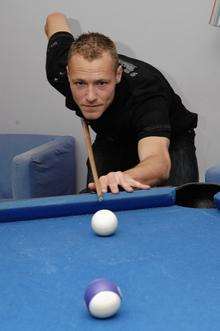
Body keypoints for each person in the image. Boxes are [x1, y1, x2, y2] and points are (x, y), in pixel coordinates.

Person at [44, 12, 199, 194]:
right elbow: (54, 19)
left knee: (177, 205)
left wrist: (124, 177)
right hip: (112, 137)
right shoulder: (59, 72)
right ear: (68, 74)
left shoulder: (147, 92)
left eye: (101, 83)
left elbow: (158, 163)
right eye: (80, 83)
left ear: (117, 75)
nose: (90, 96)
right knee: (96, 202)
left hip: (169, 141)